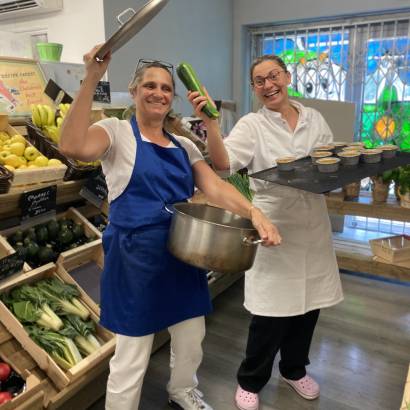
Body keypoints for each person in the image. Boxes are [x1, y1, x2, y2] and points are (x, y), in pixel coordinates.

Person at [58, 46, 281, 410]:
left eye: (165, 87)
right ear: (134, 92)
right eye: (149, 85)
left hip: (181, 252)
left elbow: (217, 185)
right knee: (133, 350)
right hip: (136, 259)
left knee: (192, 335)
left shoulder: (183, 145)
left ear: (172, 97)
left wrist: (255, 213)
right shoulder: (115, 133)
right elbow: (71, 145)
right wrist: (92, 78)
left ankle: (182, 390)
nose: (158, 92)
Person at [188, 54, 344, 410]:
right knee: (271, 313)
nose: (268, 85)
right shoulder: (252, 125)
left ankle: (293, 369)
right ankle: (251, 380)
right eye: (259, 81)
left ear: (287, 77)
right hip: (273, 224)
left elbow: (326, 163)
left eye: (273, 76)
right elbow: (224, 165)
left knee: (309, 307)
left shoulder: (313, 119)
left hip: (313, 225)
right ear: (254, 89)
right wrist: (211, 125)